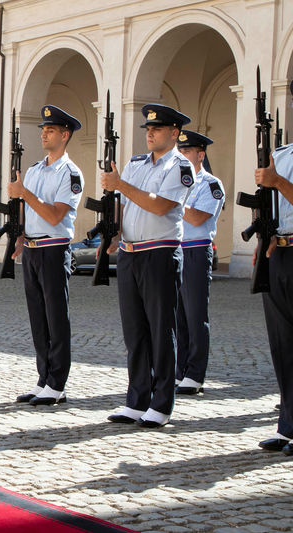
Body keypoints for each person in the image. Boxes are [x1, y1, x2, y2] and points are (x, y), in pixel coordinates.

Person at [101, 104, 194, 428]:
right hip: (130, 252)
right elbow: (123, 205)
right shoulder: (135, 164)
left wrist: (119, 185)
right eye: (148, 129)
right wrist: (114, 232)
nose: (150, 133)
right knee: (135, 331)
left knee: (160, 329)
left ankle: (161, 402)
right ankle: (136, 399)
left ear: (174, 133)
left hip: (160, 252)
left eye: (157, 129)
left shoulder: (180, 167)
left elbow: (159, 205)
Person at [7, 105, 83, 406]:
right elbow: (30, 212)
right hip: (33, 249)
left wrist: (24, 193)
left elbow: (54, 215)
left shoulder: (70, 173)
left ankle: (57, 383)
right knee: (38, 318)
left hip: (54, 248)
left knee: (56, 318)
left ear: (64, 135)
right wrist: (20, 237)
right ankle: (43, 379)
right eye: (43, 129)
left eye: (50, 130)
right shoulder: (36, 170)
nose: (44, 133)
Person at [254, 79, 293, 456]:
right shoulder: (282, 154)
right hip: (279, 250)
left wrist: (278, 181)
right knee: (282, 342)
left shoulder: (280, 166)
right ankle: (288, 424)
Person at [175, 131, 225, 395]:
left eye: (187, 152)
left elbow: (196, 218)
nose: (181, 156)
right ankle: (178, 370)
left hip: (196, 250)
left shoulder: (210, 184)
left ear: (200, 155)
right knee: (176, 316)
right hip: (174, 250)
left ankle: (195, 374)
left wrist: (172, 201)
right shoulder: (175, 183)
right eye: (179, 151)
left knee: (195, 315)